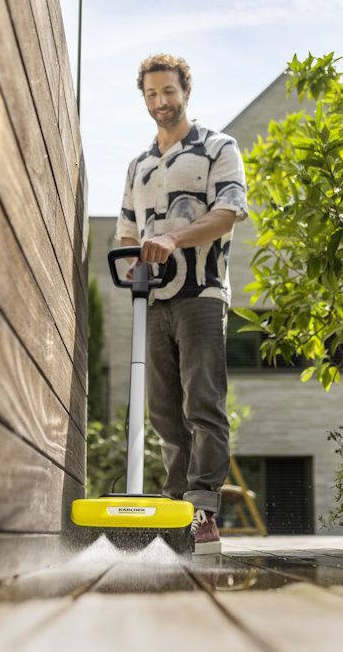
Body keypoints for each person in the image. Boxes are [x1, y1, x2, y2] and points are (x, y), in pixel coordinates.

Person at [115, 53, 248, 554]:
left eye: (168, 92)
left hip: (201, 295)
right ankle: (175, 511)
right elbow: (127, 232)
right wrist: (131, 260)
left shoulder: (218, 147)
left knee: (203, 404)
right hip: (152, 300)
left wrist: (172, 239)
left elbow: (229, 212)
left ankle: (203, 512)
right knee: (164, 411)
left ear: (185, 91)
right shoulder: (139, 165)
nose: (160, 103)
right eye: (151, 94)